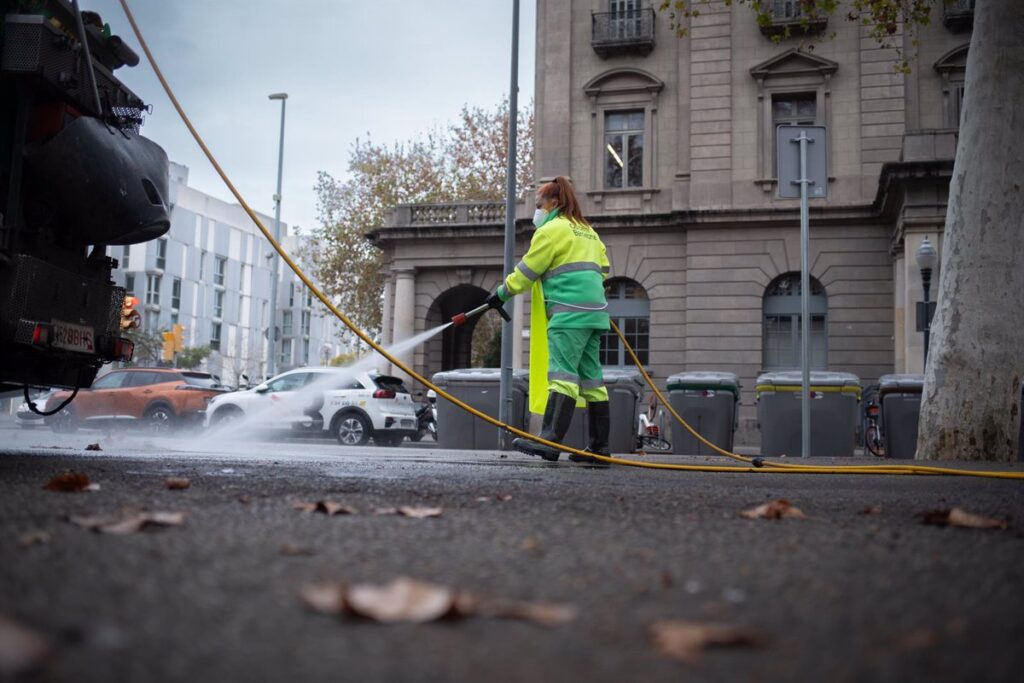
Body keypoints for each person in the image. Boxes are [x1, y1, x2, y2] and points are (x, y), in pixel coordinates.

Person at [485, 176, 611, 465]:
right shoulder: (588, 232)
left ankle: (549, 442)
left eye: (539, 203)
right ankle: (599, 448)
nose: (537, 210)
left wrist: (501, 294)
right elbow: (603, 269)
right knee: (593, 381)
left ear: (554, 202)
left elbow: (528, 271)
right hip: (595, 315)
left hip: (568, 314)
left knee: (563, 376)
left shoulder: (551, 231)